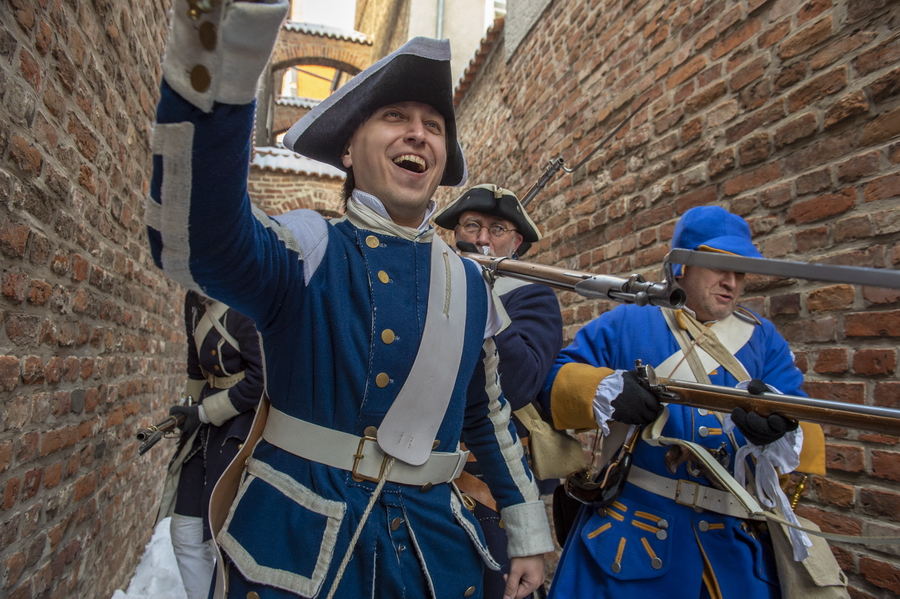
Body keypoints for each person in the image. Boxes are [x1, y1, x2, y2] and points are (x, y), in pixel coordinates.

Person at [145, 1, 554, 597]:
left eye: (434, 126)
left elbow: (486, 418)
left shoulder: (467, 284)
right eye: (395, 116)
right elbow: (199, 242)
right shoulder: (310, 244)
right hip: (293, 543)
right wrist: (224, 59)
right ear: (347, 149)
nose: (418, 132)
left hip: (429, 555)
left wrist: (526, 533)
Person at [539, 205, 826, 598]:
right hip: (634, 535)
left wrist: (780, 429)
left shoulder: (763, 339)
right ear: (681, 269)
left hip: (733, 547)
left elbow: (804, 421)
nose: (731, 282)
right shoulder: (628, 322)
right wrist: (605, 389)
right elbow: (554, 378)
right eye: (718, 266)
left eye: (739, 272)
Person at [434, 184, 564, 598]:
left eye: (498, 229)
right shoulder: (435, 283)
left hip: (486, 480)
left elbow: (519, 384)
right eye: (473, 225)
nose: (484, 239)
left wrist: (483, 295)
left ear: (517, 242)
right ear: (455, 232)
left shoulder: (533, 296)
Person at [157, 291, 264, 599]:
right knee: (185, 532)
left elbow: (259, 381)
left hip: (242, 422)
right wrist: (188, 411)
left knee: (224, 535)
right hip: (205, 425)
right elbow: (196, 364)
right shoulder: (194, 298)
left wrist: (204, 412)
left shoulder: (247, 294)